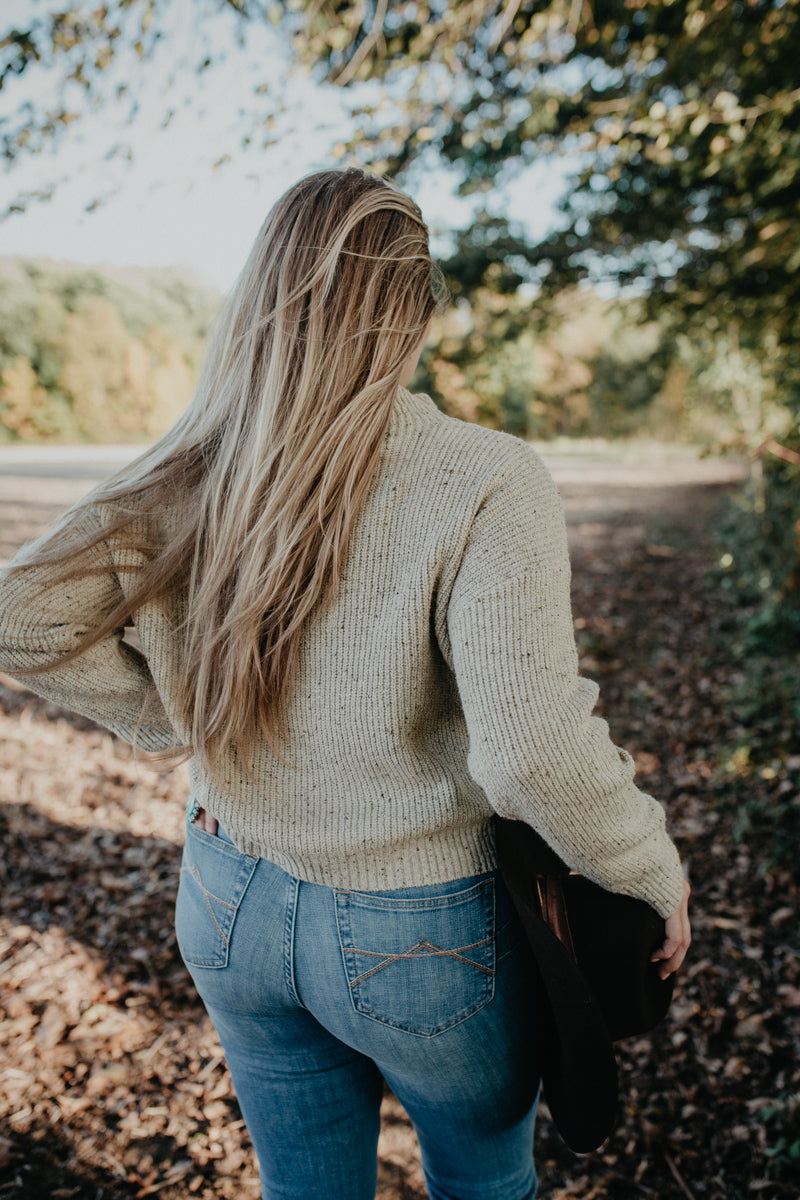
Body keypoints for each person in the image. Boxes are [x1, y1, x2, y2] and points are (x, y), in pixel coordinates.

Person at [0, 167, 690, 1200]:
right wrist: (647, 869)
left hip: (227, 898)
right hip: (421, 932)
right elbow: (528, 750)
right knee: (482, 1186)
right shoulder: (486, 475)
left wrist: (174, 715)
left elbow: (22, 614)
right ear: (415, 311)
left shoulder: (193, 466)